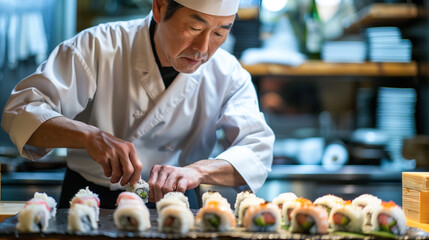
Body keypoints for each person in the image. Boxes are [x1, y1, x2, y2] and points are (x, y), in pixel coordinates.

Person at [1, 0, 274, 209]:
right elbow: (22, 111)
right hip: (90, 200)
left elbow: (257, 150)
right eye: (194, 28)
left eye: (219, 33)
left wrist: (196, 171)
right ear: (159, 7)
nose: (203, 48)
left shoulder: (228, 73)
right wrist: (88, 136)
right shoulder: (98, 46)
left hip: (178, 204)